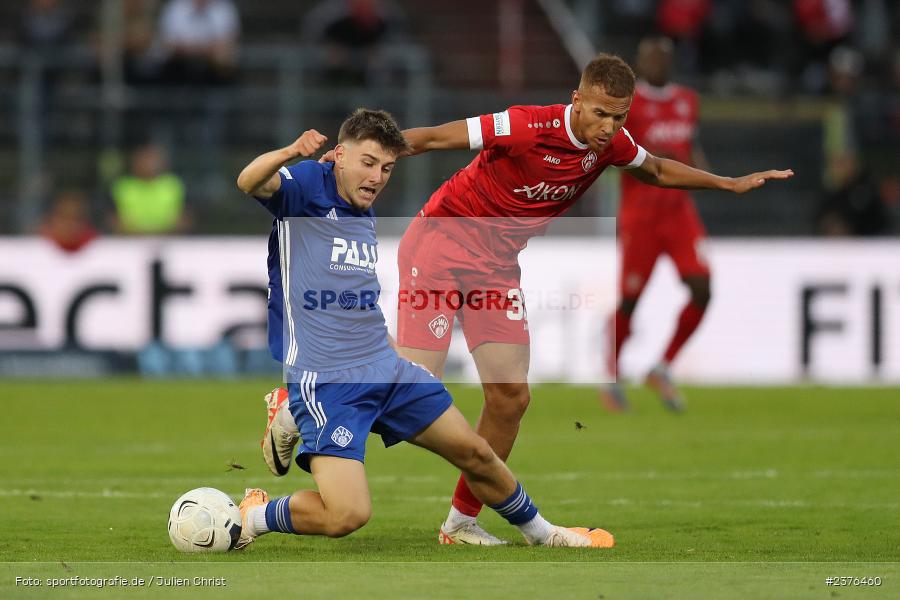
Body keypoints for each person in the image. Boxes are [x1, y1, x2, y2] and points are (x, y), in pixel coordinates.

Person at [266, 54, 793, 545]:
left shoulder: (611, 144)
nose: (610, 127)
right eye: (602, 113)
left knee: (511, 398)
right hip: (443, 243)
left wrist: (727, 183)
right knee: (413, 382)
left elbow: (653, 168)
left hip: (496, 268)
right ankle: (298, 404)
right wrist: (366, 155)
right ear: (576, 100)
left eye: (620, 116)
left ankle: (462, 522)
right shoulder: (526, 124)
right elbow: (437, 138)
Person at [234, 108, 613, 549]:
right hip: (328, 380)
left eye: (388, 167)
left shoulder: (363, 213)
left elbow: (356, 301)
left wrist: (387, 351)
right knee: (347, 514)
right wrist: (290, 152)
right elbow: (249, 181)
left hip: (384, 368)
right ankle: (254, 515)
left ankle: (544, 535)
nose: (378, 177)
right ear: (338, 154)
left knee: (475, 452)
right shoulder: (305, 190)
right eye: (368, 162)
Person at [602, 37, 711, 412]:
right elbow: (614, 152)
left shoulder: (688, 101)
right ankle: (611, 375)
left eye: (663, 56)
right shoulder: (628, 107)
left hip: (680, 214)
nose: (658, 63)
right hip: (641, 216)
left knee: (702, 288)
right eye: (651, 56)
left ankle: (661, 368)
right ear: (640, 62)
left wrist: (701, 170)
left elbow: (690, 147)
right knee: (631, 301)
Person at [109, 142, 190, 234]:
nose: (149, 164)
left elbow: (185, 220)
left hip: (169, 241)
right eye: (144, 159)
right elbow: (113, 221)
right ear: (135, 161)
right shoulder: (122, 186)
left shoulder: (173, 184)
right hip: (129, 242)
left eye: (152, 159)